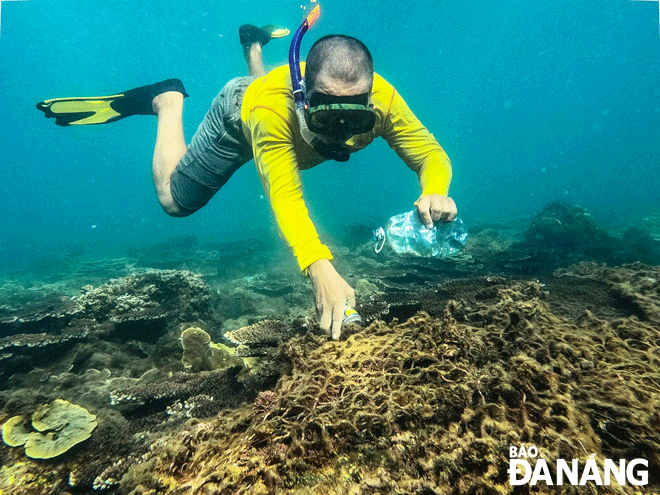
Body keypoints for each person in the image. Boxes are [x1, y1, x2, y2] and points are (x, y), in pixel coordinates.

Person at [36, 11, 457, 340]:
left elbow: (430, 154)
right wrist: (318, 264)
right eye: (329, 117)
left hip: (280, 98)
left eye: (356, 116)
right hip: (239, 118)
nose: (343, 134)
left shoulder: (384, 100)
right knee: (173, 201)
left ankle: (254, 45)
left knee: (272, 92)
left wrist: (435, 190)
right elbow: (285, 194)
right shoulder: (271, 113)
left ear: (370, 98)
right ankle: (166, 99)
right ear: (304, 97)